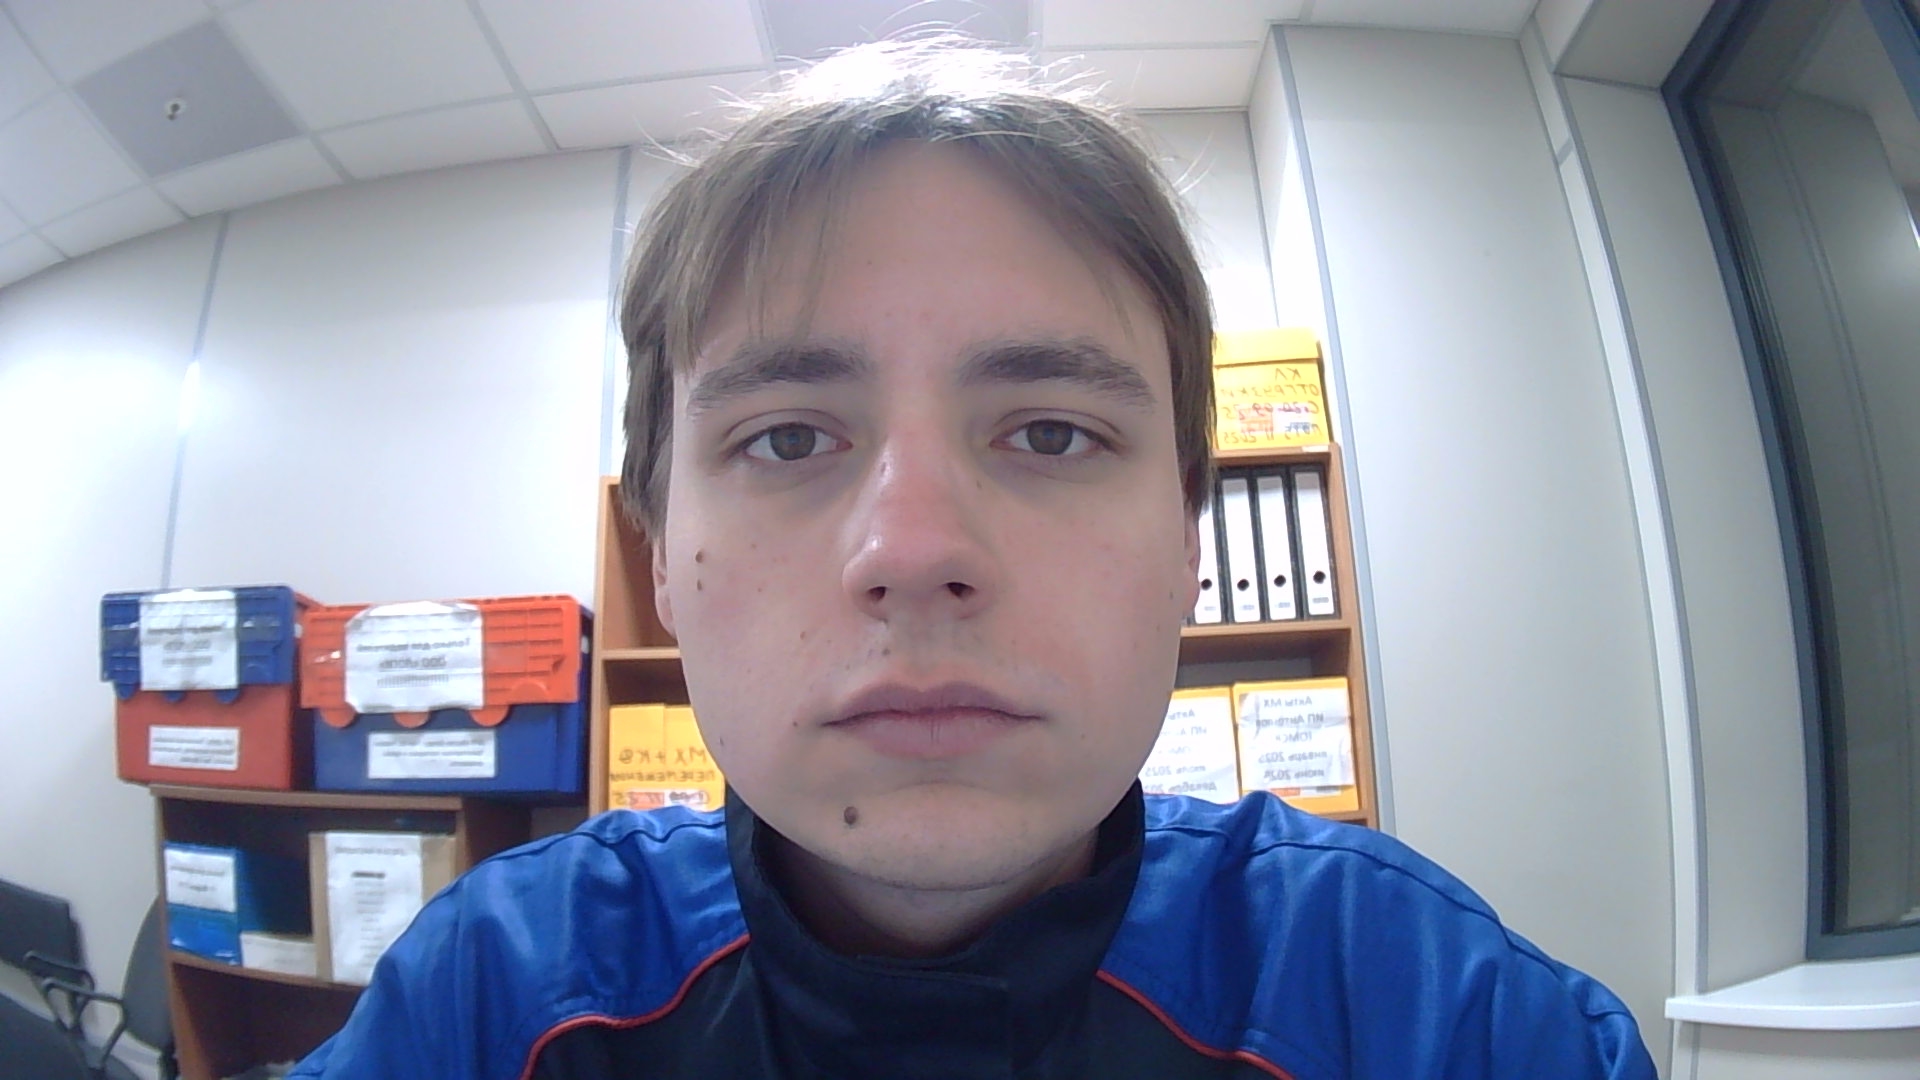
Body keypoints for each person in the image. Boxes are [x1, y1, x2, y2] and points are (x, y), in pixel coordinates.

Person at [290, 39, 1657, 1080]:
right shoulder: (490, 998)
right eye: (785, 439)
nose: (914, 550)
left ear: (1190, 542)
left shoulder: (1424, 1007)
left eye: (1053, 432)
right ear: (659, 561)